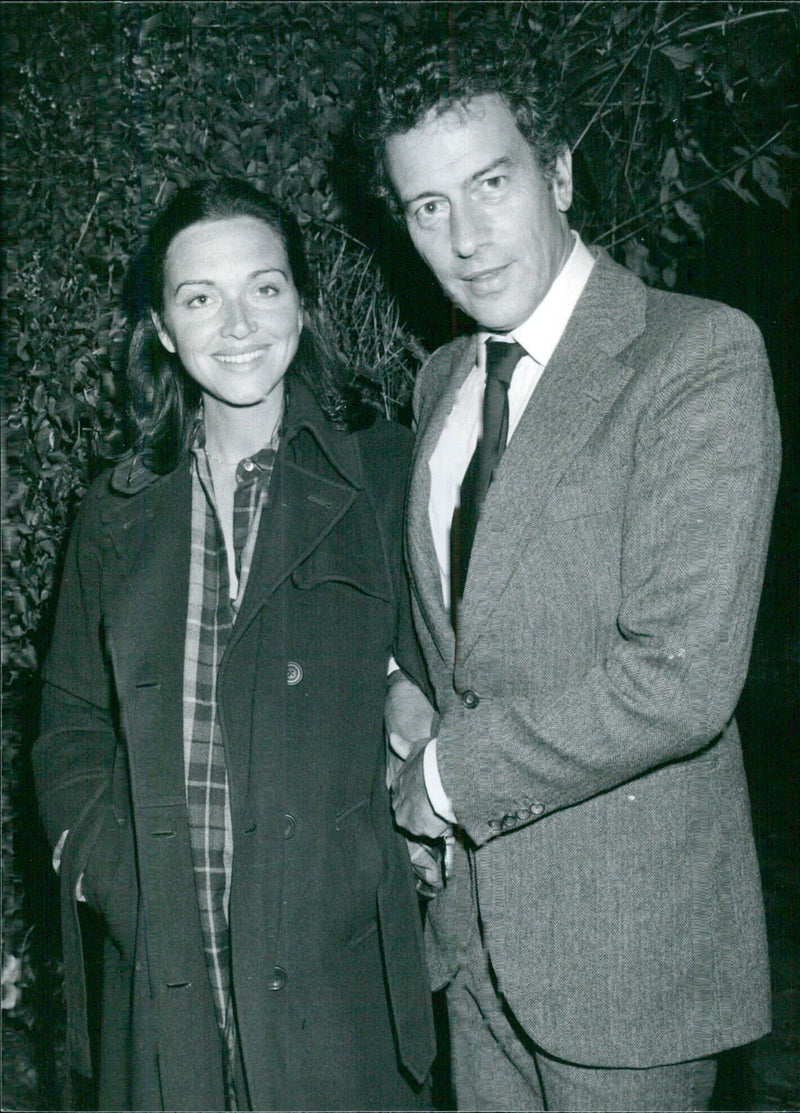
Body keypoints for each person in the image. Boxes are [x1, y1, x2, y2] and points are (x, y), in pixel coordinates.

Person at [363, 32, 782, 1113]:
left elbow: (678, 681)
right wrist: (403, 692)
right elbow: (460, 626)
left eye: (490, 183)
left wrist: (448, 781)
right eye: (425, 206)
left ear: (555, 174)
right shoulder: (438, 380)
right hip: (469, 945)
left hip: (626, 961)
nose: (462, 236)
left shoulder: (695, 356)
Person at [33, 178, 435, 1112]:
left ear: (302, 302)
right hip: (167, 967)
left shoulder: (384, 474)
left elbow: (438, 681)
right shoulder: (118, 508)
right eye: (199, 297)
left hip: (338, 980)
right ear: (164, 330)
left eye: (265, 286)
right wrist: (111, 877)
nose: (238, 323)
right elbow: (69, 726)